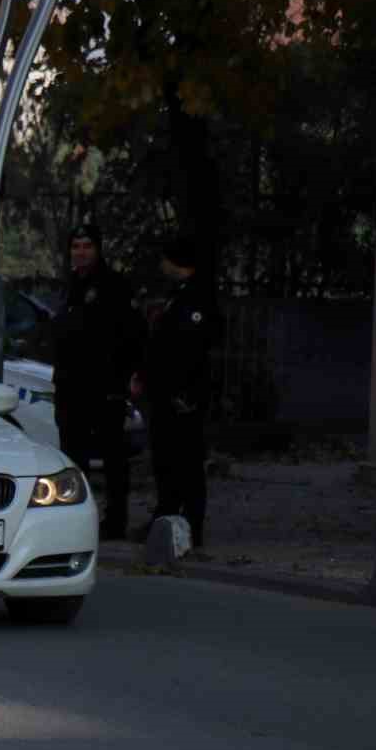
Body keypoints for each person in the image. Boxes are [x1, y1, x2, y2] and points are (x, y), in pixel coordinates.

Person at [51, 223, 146, 539]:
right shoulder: (69, 286)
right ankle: (77, 518)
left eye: (87, 246)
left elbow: (132, 334)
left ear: (98, 249)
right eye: (76, 246)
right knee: (73, 455)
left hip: (104, 385)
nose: (81, 252)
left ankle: (115, 519)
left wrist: (128, 376)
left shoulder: (113, 285)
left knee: (112, 456)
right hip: (70, 385)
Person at [135, 234, 222, 548]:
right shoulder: (180, 295)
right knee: (167, 462)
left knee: (185, 462)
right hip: (168, 395)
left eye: (165, 259)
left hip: (182, 398)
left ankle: (190, 526)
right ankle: (167, 519)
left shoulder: (196, 298)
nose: (161, 265)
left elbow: (190, 349)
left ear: (176, 262)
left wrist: (183, 392)